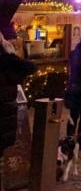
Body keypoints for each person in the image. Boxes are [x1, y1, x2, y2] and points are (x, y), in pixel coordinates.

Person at [0, 33, 35, 176]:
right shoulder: (8, 63)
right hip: (5, 124)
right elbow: (29, 67)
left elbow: (30, 67)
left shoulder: (6, 63)